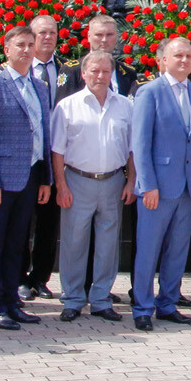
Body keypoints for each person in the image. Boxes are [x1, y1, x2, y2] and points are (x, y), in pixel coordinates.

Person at [0, 26, 53, 330]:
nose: (27, 50)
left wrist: (45, 178)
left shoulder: (39, 87)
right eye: (20, 45)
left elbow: (43, 135)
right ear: (6, 49)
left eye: (31, 45)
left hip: (30, 175)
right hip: (2, 178)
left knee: (18, 242)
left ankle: (11, 300)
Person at [49, 50, 134, 323]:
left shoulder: (125, 106)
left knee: (108, 245)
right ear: (83, 74)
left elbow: (133, 149)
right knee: (74, 243)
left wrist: (131, 180)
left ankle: (100, 299)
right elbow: (57, 151)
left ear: (112, 74)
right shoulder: (67, 106)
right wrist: (61, 185)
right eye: (94, 71)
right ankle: (72, 299)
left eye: (105, 71)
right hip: (77, 180)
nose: (100, 76)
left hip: (112, 181)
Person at [128, 36, 191, 330]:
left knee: (178, 250)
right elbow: (140, 142)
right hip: (156, 188)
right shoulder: (150, 92)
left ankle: (168, 303)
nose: (184, 61)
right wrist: (147, 184)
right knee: (148, 250)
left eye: (188, 56)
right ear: (162, 60)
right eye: (178, 56)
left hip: (186, 188)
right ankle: (142, 307)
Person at [22, 13, 74, 302]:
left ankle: (40, 277)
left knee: (48, 221)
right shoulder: (21, 68)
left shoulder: (67, 70)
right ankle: (20, 277)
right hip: (28, 157)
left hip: (56, 156)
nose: (47, 37)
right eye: (42, 33)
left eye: (52, 33)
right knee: (22, 221)